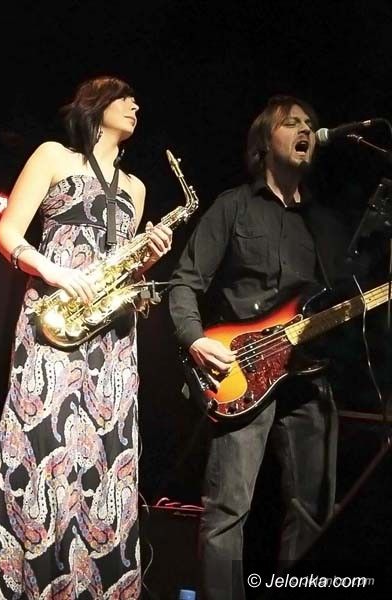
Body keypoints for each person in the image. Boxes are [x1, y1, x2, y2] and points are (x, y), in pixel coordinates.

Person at [0, 75, 172, 598]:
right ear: (97, 103)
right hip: (52, 321)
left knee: (103, 461)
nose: (136, 105)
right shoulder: (54, 156)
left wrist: (147, 258)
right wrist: (53, 270)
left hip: (110, 338)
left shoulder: (136, 188)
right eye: (125, 97)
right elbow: (7, 233)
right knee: (40, 446)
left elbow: (122, 271)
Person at [168, 95, 349, 599]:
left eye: (310, 123)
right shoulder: (234, 206)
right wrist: (195, 339)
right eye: (291, 123)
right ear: (264, 142)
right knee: (227, 511)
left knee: (314, 511)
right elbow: (184, 282)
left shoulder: (323, 223)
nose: (305, 130)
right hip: (241, 368)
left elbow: (332, 299)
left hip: (307, 375)